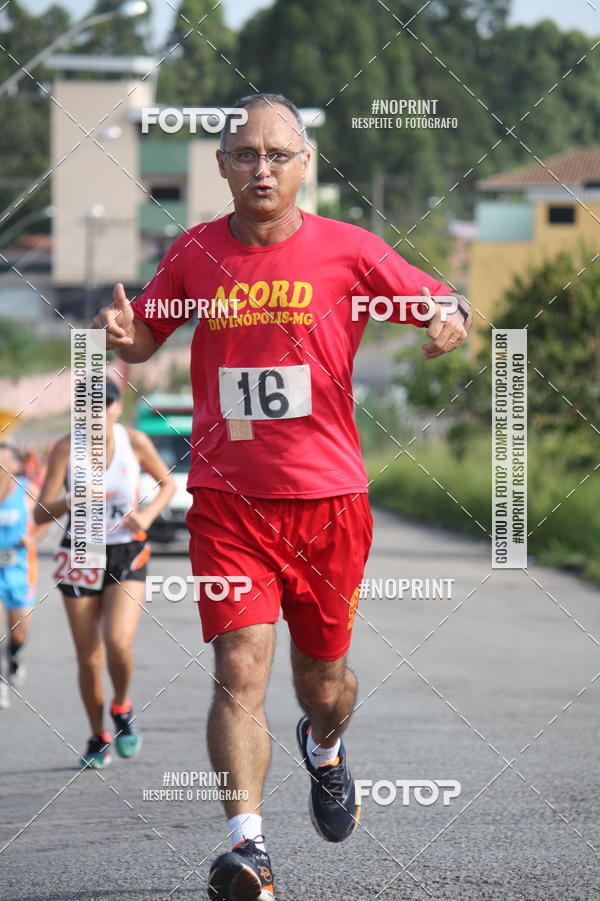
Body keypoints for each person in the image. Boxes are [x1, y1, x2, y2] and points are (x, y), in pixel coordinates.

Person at [93, 93, 472, 900]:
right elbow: (147, 333)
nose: (260, 168)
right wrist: (126, 339)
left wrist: (451, 315)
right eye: (244, 155)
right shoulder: (195, 254)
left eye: (277, 154)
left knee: (323, 683)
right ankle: (248, 849)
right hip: (231, 502)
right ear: (224, 167)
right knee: (238, 667)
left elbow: (442, 297)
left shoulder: (349, 251)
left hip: (330, 502)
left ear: (305, 165)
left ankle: (325, 747)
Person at [34, 378, 175, 768]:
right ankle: (98, 736)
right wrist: (71, 499)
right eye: (89, 405)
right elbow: (39, 513)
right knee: (89, 657)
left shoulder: (135, 441)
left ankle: (122, 705)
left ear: (117, 406)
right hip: (81, 550)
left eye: (106, 404)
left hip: (126, 550)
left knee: (117, 641)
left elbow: (166, 484)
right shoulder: (66, 447)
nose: (97, 411)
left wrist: (145, 515)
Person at [0, 443, 41, 709]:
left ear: (16, 464)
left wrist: (33, 537)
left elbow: (47, 519)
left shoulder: (28, 490)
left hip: (19, 570)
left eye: (5, 461)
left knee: (19, 633)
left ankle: (14, 656)